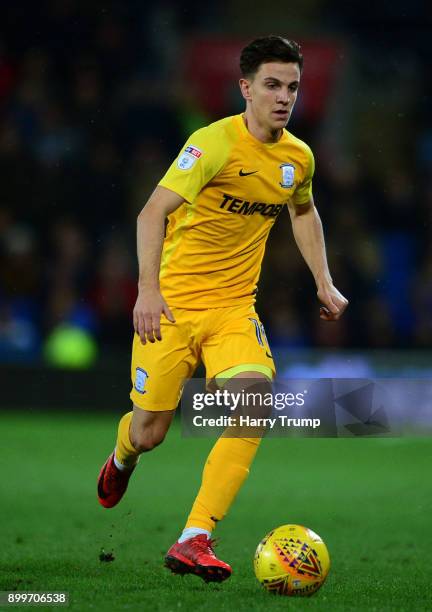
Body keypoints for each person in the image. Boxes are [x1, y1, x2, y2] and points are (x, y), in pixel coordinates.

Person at [97, 35, 348, 583]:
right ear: (245, 88)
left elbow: (303, 213)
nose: (284, 97)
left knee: (253, 402)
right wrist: (146, 289)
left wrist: (323, 282)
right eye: (273, 85)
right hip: (172, 308)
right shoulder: (211, 144)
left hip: (234, 309)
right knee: (149, 433)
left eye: (293, 87)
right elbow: (150, 214)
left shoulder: (297, 157)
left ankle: (195, 537)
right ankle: (122, 457)